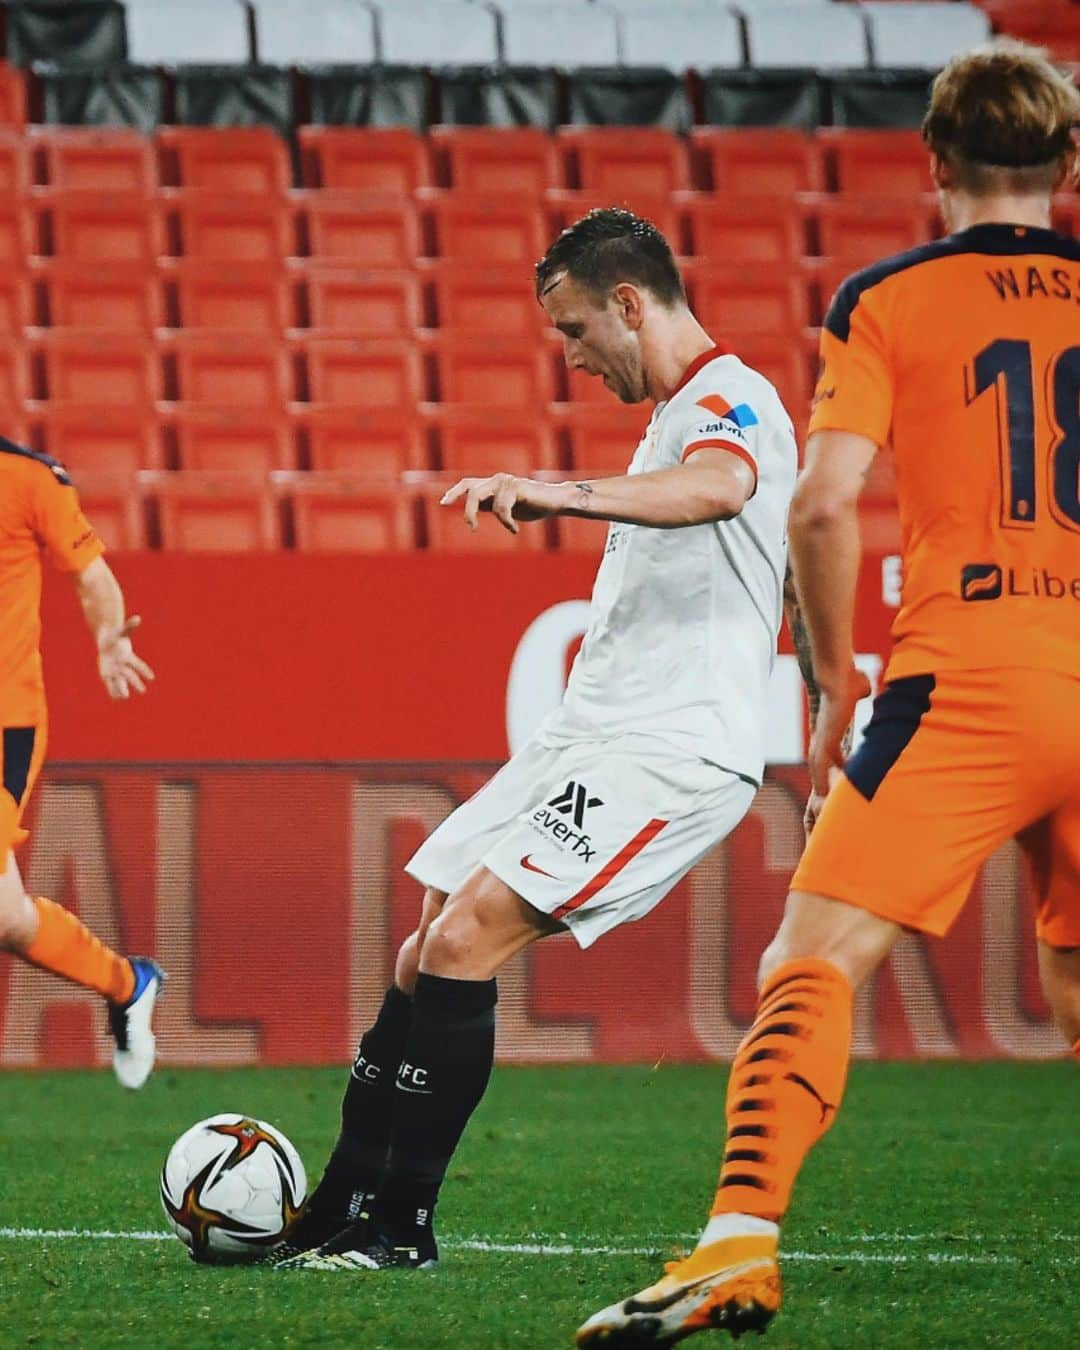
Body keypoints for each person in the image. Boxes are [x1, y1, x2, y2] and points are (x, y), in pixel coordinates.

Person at [578, 40, 1080, 1346]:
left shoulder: (888, 297)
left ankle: (736, 1245)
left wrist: (836, 677)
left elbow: (821, 499)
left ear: (932, 164)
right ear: (1070, 165)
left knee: (812, 959)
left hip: (965, 676)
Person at [278, 207, 798, 1272]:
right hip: (593, 733)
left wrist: (552, 489)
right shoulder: (671, 418)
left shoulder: (733, 400)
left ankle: (402, 1231)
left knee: (466, 940)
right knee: (429, 939)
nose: (569, 356)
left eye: (572, 330)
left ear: (626, 301)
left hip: (671, 746)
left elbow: (722, 486)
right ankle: (339, 1202)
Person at [0, 434, 164, 1089]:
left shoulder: (29, 478)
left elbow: (90, 571)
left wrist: (106, 638)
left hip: (3, 718)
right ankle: (128, 984)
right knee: (7, 918)